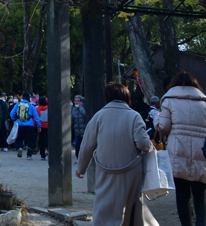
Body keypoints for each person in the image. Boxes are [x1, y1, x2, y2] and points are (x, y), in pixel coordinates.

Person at [76, 82, 155, 226]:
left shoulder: (98, 116)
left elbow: (87, 145)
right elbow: (143, 143)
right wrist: (150, 148)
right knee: (130, 207)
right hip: (131, 171)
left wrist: (81, 168)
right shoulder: (134, 116)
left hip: (105, 170)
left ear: (107, 97)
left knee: (104, 206)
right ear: (126, 97)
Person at [156, 71, 206, 226]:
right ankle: (201, 223)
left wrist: (157, 118)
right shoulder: (204, 102)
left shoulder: (169, 99)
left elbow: (164, 127)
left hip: (178, 150)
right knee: (199, 194)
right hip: (201, 151)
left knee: (182, 194)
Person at [11, 93, 41, 159]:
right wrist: (39, 126)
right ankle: (29, 155)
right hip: (30, 125)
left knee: (19, 138)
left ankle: (20, 147)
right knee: (30, 140)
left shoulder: (17, 105)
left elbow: (12, 114)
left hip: (20, 124)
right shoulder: (31, 106)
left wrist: (14, 119)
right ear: (29, 98)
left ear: (22, 98)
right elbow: (36, 117)